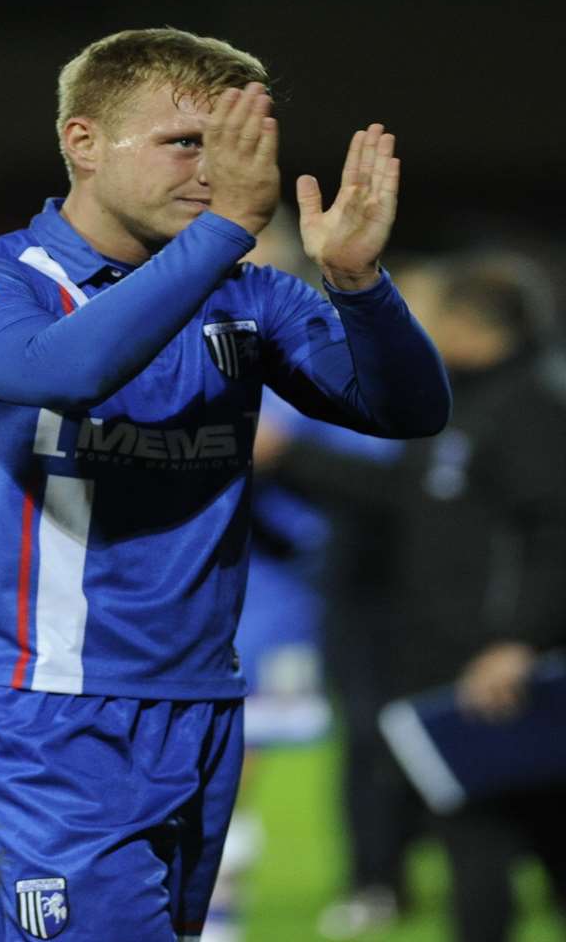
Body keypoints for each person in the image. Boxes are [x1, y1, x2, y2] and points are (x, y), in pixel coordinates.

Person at [0, 28, 451, 940]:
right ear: (82, 143)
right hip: (37, 713)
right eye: (186, 142)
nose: (217, 170)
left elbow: (405, 410)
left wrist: (357, 283)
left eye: (239, 146)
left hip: (200, 709)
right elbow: (60, 370)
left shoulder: (249, 297)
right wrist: (228, 230)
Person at [271, 252, 566, 942]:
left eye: (425, 314)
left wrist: (517, 641)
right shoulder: (453, 408)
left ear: (468, 323)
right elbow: (399, 501)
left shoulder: (529, 411)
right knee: (477, 837)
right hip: (443, 668)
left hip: (498, 670)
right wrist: (286, 458)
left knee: (502, 837)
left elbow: (555, 535)